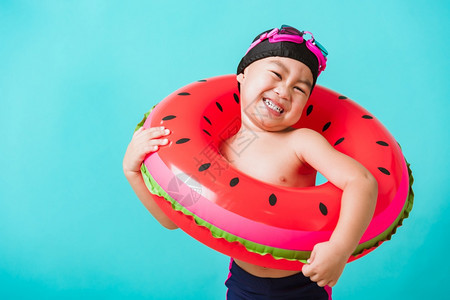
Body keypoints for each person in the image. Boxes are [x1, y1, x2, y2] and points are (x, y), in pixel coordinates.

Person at [123, 25, 378, 299]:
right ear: (242, 75)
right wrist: (133, 171)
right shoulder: (220, 151)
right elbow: (172, 219)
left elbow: (361, 182)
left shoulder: (302, 141)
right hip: (244, 284)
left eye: (299, 89)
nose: (284, 91)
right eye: (276, 75)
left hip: (303, 281)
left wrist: (339, 249)